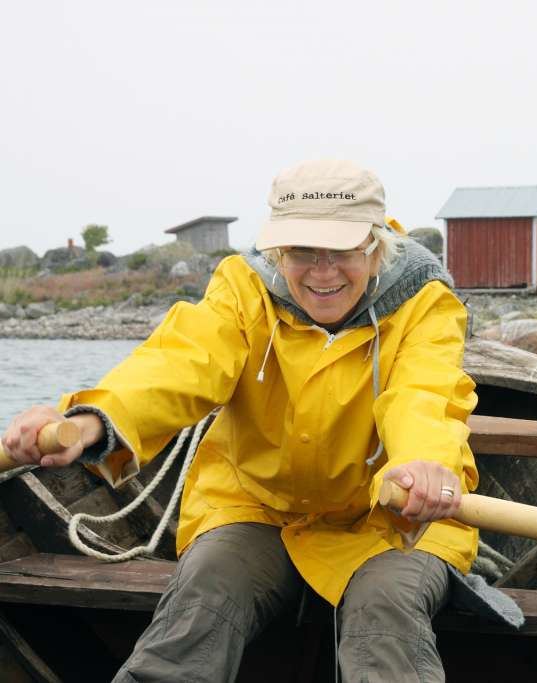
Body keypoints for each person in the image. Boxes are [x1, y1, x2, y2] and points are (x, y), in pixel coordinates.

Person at [1, 159, 480, 682]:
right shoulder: (242, 289)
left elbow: (424, 395)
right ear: (278, 249)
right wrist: (93, 420)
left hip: (395, 517)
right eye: (302, 251)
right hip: (258, 504)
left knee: (385, 612)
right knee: (203, 594)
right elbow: (183, 364)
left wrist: (424, 466)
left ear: (373, 245)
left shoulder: (426, 303)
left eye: (341, 250)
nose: (322, 272)